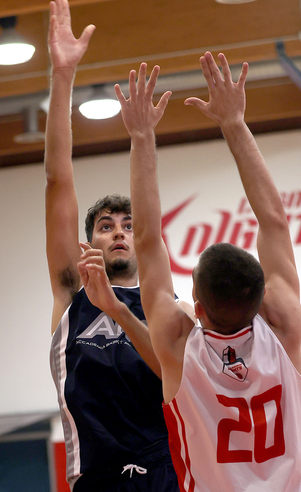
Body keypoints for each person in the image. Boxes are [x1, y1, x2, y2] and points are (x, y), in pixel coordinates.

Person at [103, 53, 301, 491]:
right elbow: (274, 220)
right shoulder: (287, 327)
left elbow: (147, 242)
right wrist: (235, 123)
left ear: (196, 306)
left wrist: (142, 137)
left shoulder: (179, 345)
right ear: (261, 298)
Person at [45, 0, 184, 491]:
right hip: (97, 478)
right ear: (88, 244)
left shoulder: (165, 304)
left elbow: (172, 375)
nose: (120, 231)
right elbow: (57, 182)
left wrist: (142, 138)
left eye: (127, 224)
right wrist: (63, 76)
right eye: (105, 225)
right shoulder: (72, 294)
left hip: (166, 472)